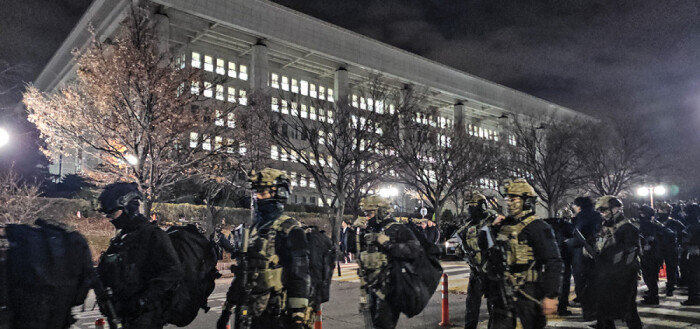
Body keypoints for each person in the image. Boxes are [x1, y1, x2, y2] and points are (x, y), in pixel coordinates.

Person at [217, 168, 311, 329]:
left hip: (277, 313)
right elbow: (243, 273)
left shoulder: (291, 230)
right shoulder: (253, 230)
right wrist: (228, 308)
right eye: (256, 192)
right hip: (248, 312)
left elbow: (300, 275)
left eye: (263, 192)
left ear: (279, 193)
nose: (257, 197)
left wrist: (298, 316)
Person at [96, 182, 183, 329]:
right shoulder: (122, 238)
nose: (110, 219)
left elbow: (173, 271)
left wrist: (142, 301)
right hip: (122, 316)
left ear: (128, 208)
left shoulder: (153, 235)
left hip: (145, 317)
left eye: (113, 213)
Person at [485, 179, 562, 329]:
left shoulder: (538, 227)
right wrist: (492, 228)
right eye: (507, 198)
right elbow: (486, 249)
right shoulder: (503, 225)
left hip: (529, 290)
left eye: (513, 199)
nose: (508, 202)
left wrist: (551, 294)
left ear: (526, 201)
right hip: (503, 289)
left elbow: (554, 261)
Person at [354, 195, 422, 329]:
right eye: (366, 213)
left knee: (383, 325)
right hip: (372, 286)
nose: (367, 217)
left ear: (381, 211)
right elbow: (354, 250)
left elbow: (415, 251)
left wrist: (388, 244)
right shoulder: (371, 228)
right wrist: (355, 231)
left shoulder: (398, 229)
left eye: (370, 213)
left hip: (391, 288)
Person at [591, 196, 642, 329]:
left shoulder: (628, 227)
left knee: (628, 308)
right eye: (600, 211)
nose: (602, 213)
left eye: (604, 210)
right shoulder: (604, 226)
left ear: (616, 208)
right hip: (606, 273)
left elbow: (630, 253)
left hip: (624, 274)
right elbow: (599, 245)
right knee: (603, 309)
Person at [457, 191, 500, 329]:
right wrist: (461, 250)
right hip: (476, 272)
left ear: (481, 206)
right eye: (469, 206)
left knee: (494, 310)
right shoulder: (467, 226)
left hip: (492, 272)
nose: (470, 209)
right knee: (471, 309)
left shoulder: (493, 221)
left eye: (473, 205)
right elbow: (458, 247)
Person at [565, 196, 601, 320]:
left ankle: (589, 312)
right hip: (597, 253)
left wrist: (567, 242)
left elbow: (578, 236)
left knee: (582, 283)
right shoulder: (597, 215)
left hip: (582, 254)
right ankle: (597, 311)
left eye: (574, 205)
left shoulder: (581, 217)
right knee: (595, 283)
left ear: (579, 206)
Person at [637, 205, 674, 305]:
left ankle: (653, 297)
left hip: (651, 255)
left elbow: (669, 235)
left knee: (650, 277)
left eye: (642, 213)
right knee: (651, 276)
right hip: (654, 254)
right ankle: (652, 294)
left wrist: (652, 242)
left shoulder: (649, 225)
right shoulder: (654, 224)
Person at [545, 208, 575, 316]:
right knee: (565, 282)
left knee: (553, 281)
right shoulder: (568, 226)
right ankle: (562, 307)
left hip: (551, 257)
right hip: (565, 256)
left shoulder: (550, 225)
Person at [656, 202, 684, 296]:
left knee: (671, 269)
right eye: (660, 209)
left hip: (671, 248)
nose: (660, 211)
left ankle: (670, 287)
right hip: (658, 247)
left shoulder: (673, 222)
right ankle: (654, 288)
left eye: (663, 209)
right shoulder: (655, 222)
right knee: (655, 268)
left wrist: (679, 243)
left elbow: (683, 232)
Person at [681, 203, 700, 305]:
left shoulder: (691, 227)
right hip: (694, 252)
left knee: (693, 277)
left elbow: (685, 241)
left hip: (693, 253)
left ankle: (694, 298)